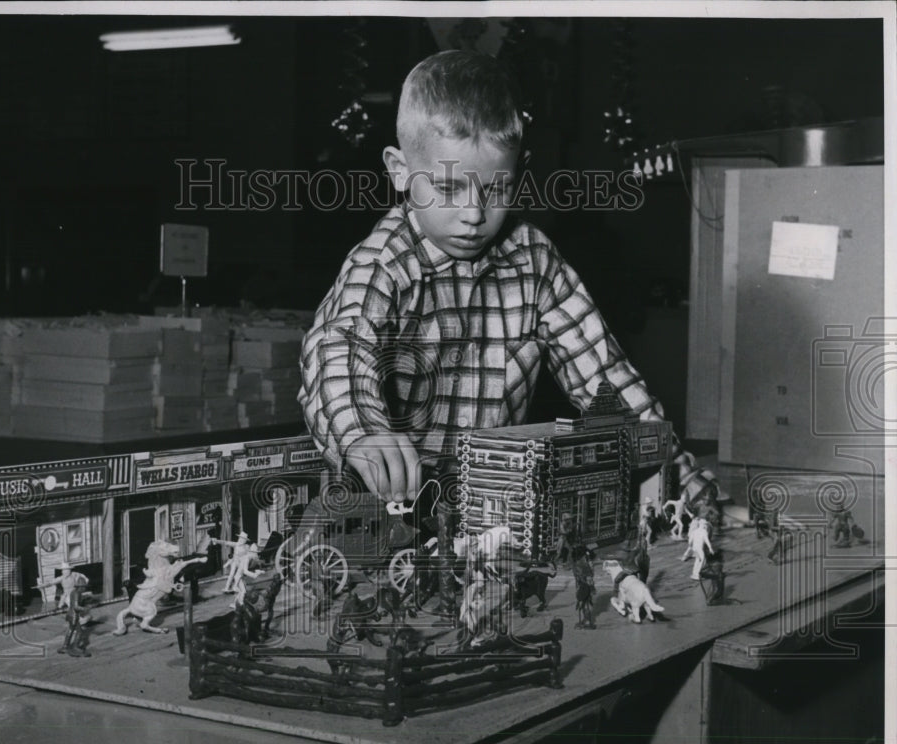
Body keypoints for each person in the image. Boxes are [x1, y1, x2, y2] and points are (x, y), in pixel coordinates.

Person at [298, 49, 722, 508]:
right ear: (400, 171)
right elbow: (336, 348)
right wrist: (362, 432)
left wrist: (693, 496)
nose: (474, 214)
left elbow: (610, 386)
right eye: (447, 188)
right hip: (388, 511)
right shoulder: (382, 262)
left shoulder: (535, 260)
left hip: (494, 513)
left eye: (496, 188)